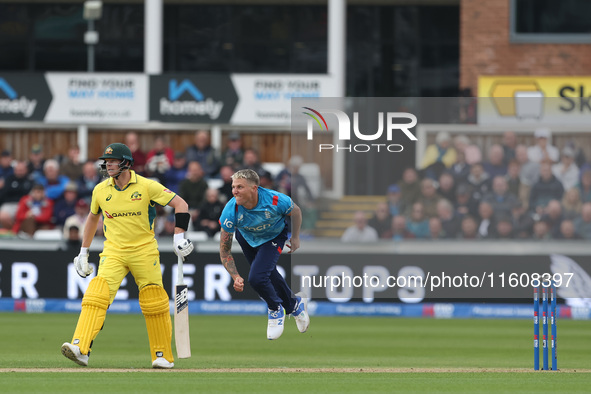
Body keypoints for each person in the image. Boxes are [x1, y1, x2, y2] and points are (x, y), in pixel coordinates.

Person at [61, 142, 194, 369]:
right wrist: (83, 252)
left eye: (113, 161)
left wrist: (178, 237)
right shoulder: (100, 190)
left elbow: (181, 204)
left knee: (154, 300)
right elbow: (93, 218)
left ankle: (162, 356)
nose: (108, 165)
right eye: (107, 161)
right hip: (113, 251)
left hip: (144, 250)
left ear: (126, 163)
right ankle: (80, 348)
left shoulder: (146, 186)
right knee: (96, 294)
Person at [218, 169, 309, 340]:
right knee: (268, 273)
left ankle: (275, 308)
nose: (234, 191)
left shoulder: (275, 200)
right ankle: (295, 305)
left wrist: (295, 238)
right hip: (247, 239)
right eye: (233, 187)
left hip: (273, 237)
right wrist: (235, 276)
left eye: (240, 187)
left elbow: (295, 211)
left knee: (257, 278)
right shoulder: (230, 211)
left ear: (254, 188)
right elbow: (224, 250)